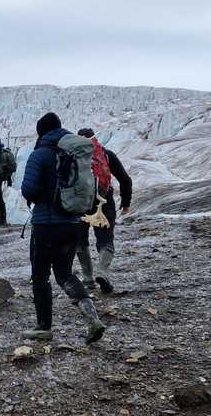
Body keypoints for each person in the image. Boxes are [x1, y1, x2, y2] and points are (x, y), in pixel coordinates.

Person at [19, 113, 106, 343]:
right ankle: (92, 317)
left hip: (46, 224)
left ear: (42, 132)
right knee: (65, 273)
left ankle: (44, 327)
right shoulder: (74, 153)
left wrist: (44, 197)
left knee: (40, 275)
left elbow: (28, 189)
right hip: (71, 223)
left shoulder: (40, 154)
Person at [73, 128, 133, 294]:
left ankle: (88, 278)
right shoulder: (106, 155)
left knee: (80, 240)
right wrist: (126, 203)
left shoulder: (73, 156)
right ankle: (102, 271)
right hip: (104, 202)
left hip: (80, 205)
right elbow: (125, 180)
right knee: (106, 239)